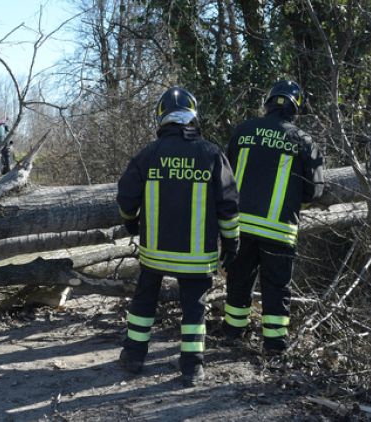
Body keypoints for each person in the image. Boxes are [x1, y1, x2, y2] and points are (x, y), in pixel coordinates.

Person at [117, 87, 240, 387]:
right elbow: (229, 205)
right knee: (194, 308)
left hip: (155, 253)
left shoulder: (149, 154)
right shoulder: (212, 154)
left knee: (144, 300)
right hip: (197, 257)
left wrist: (131, 224)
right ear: (193, 116)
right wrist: (232, 242)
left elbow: (125, 198)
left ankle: (133, 356)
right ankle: (192, 368)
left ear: (161, 117)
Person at [222, 80, 325, 355]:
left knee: (238, 279)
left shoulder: (243, 131)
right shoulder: (304, 141)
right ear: (296, 109)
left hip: (240, 227)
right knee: (277, 288)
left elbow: (224, 176)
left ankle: (233, 332)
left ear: (268, 102)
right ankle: (275, 347)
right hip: (279, 230)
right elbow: (314, 192)